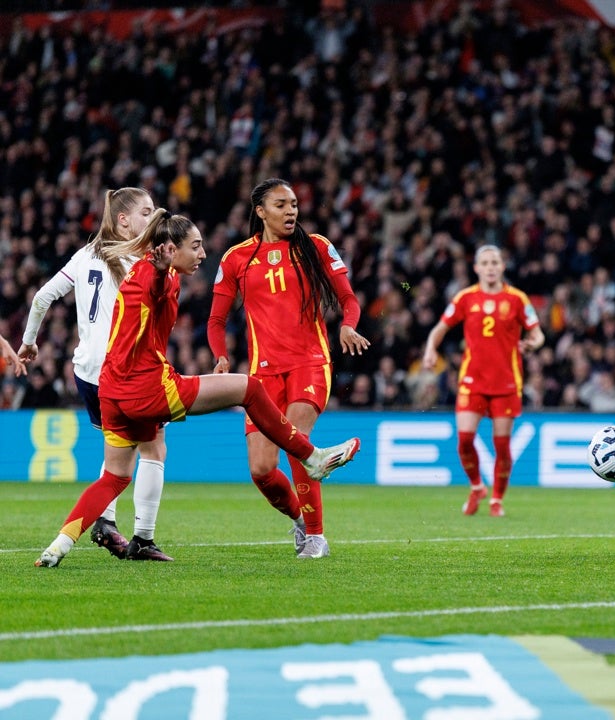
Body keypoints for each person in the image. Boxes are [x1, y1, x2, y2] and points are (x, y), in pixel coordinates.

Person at [35, 209, 360, 568]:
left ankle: (58, 546)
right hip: (148, 388)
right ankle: (311, 457)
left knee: (114, 477)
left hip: (112, 391)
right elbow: (156, 289)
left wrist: (160, 270)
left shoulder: (144, 269)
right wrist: (161, 272)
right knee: (249, 388)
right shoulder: (159, 274)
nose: (203, 254)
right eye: (196, 246)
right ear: (171, 250)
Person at [208, 178, 368, 560]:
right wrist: (221, 356)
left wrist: (348, 324)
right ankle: (299, 518)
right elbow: (215, 319)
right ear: (261, 211)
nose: (291, 210)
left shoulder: (316, 247)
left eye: (294, 203)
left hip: (310, 363)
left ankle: (317, 537)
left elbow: (348, 298)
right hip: (262, 374)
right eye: (281, 205)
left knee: (296, 444)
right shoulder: (236, 258)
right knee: (262, 469)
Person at [18, 187, 173, 561]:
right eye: (146, 212)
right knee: (153, 447)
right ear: (123, 220)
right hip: (122, 370)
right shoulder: (141, 260)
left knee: (116, 447)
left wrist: (29, 342)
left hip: (85, 372)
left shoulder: (84, 254)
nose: (152, 219)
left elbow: (41, 298)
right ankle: (144, 538)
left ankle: (105, 521)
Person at [422, 244, 545, 517]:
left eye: (495, 262)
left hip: (506, 383)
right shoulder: (466, 298)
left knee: (501, 445)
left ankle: (496, 500)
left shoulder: (517, 299)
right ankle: (477, 486)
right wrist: (431, 350)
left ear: (502, 267)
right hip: (472, 381)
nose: (490, 267)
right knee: (465, 439)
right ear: (476, 268)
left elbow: (538, 334)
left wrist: (532, 344)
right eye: (485, 263)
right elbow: (439, 329)